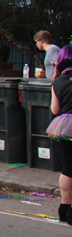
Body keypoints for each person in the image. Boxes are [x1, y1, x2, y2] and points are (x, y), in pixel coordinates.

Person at [50, 45, 72, 225]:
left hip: (67, 127)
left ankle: (65, 207)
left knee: (68, 166)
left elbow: (55, 109)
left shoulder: (58, 82)